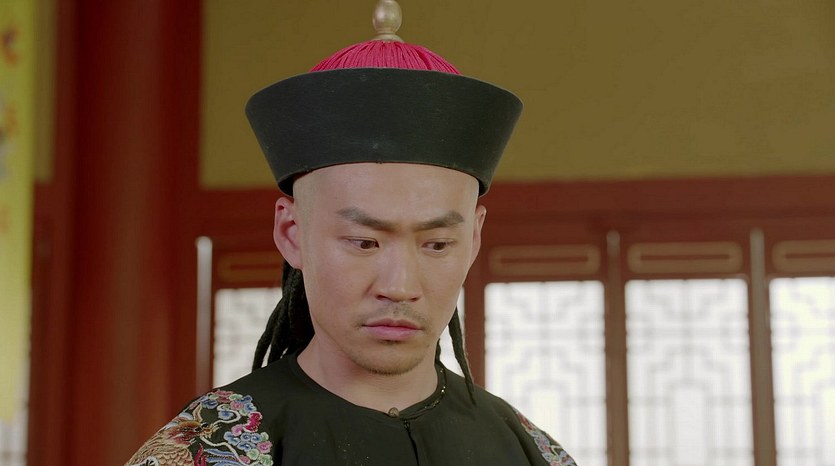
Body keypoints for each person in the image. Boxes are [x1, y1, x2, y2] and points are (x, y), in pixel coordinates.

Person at [127, 2, 576, 465]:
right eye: (365, 242)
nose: (399, 286)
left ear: (474, 240)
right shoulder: (207, 448)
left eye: (437, 244)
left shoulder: (531, 451)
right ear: (292, 232)